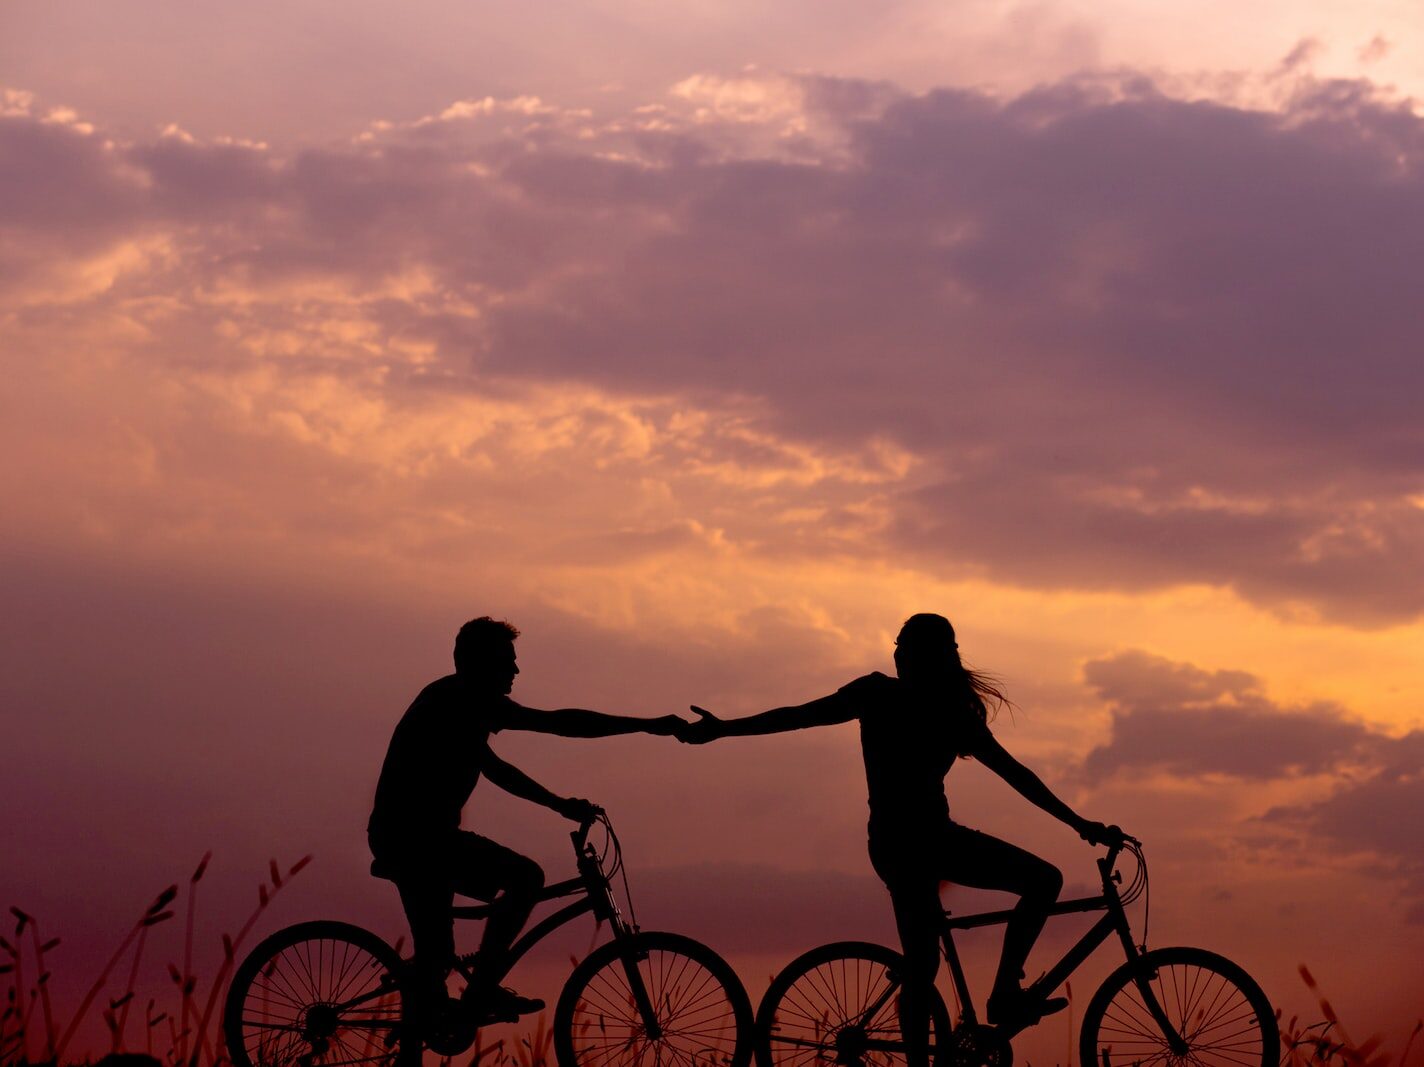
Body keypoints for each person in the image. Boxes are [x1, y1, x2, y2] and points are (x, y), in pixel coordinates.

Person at [676, 612, 1122, 1064]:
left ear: (926, 657)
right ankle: (1000, 996)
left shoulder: (926, 706)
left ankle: (993, 1001)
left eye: (905, 646)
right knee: (1007, 905)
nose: (897, 653)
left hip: (913, 842)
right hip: (914, 844)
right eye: (898, 645)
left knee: (940, 950)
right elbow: (798, 717)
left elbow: (1016, 775)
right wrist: (726, 728)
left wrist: (1078, 823)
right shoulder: (902, 700)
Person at [368, 616, 686, 1022]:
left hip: (421, 839)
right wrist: (647, 726)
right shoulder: (459, 700)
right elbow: (555, 727)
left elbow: (502, 764)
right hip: (415, 841)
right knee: (525, 879)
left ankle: (443, 1006)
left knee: (437, 961)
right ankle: (479, 991)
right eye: (506, 661)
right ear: (478, 663)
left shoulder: (460, 704)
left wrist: (560, 803)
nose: (515, 671)